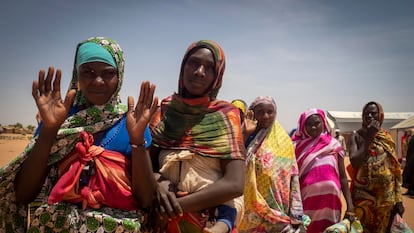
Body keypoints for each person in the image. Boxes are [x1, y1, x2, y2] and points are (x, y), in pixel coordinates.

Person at [0, 36, 158, 232]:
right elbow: (24, 194)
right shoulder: (60, 119)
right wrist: (49, 130)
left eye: (108, 73)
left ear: (120, 76)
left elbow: (146, 200)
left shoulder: (133, 124)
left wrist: (136, 141)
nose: (98, 81)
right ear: (77, 75)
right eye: (88, 72)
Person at [149, 40, 246, 233]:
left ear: (217, 76)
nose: (199, 71)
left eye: (209, 67)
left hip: (206, 223)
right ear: (183, 67)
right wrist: (158, 181)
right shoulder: (165, 111)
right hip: (162, 223)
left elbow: (235, 184)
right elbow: (147, 165)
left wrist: (177, 206)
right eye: (193, 63)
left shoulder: (226, 115)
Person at [238, 96, 310, 233]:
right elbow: (235, 159)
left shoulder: (284, 140)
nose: (266, 116)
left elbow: (293, 176)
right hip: (250, 207)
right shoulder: (246, 134)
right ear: (252, 113)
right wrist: (245, 133)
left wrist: (296, 211)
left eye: (270, 112)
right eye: (260, 112)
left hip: (278, 208)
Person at [291, 108, 355, 233]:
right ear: (302, 126)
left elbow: (342, 176)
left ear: (324, 123)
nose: (313, 127)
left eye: (317, 123)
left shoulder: (334, 145)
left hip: (331, 202)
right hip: (306, 202)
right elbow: (291, 177)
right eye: (308, 124)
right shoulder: (295, 147)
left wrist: (350, 204)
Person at [348, 101, 405, 233]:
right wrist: (369, 137)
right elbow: (354, 161)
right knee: (361, 229)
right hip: (363, 199)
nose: (369, 116)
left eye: (373, 113)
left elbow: (396, 170)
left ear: (380, 116)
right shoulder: (356, 136)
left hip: (386, 198)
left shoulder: (386, 138)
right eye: (366, 113)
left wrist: (399, 199)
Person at [403, 132, 414, 196]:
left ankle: (411, 190)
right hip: (410, 158)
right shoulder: (412, 137)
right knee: (410, 175)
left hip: (412, 159)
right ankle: (410, 190)